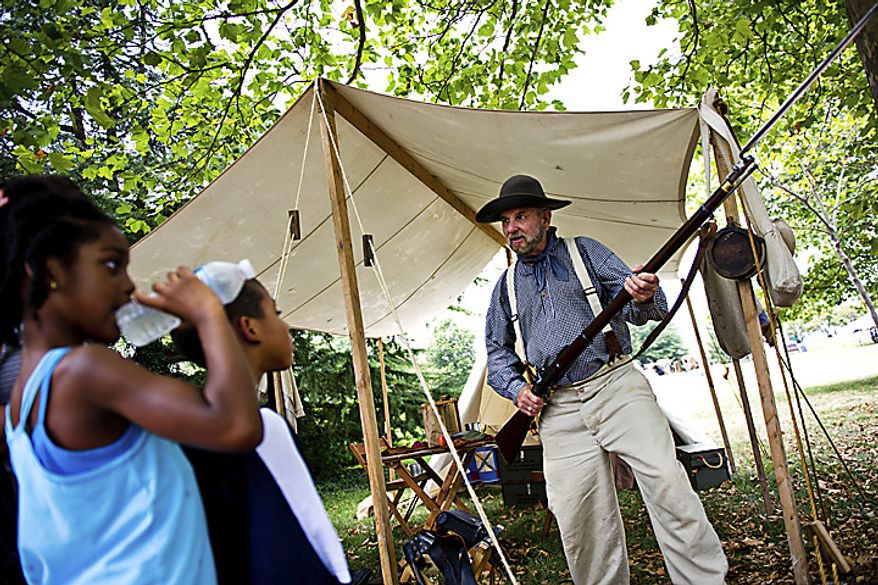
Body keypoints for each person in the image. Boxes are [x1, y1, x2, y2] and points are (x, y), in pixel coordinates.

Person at [0, 175, 263, 584]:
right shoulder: (85, 370)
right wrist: (209, 311)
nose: (127, 286)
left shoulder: (23, 399)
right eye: (110, 265)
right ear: (51, 271)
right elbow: (237, 426)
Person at [478, 175, 727, 585]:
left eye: (520, 216)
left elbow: (641, 307)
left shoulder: (585, 251)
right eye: (505, 221)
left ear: (545, 216)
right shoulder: (505, 287)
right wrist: (518, 390)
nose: (511, 229)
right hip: (557, 407)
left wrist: (643, 293)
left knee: (668, 485)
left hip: (614, 385)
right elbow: (497, 353)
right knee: (578, 517)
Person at [171, 267, 353, 585]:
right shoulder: (203, 441)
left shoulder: (271, 426)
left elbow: (311, 530)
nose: (286, 326)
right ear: (249, 328)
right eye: (276, 313)